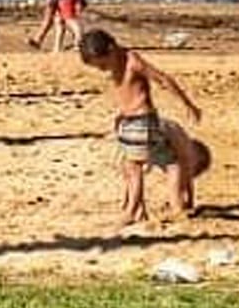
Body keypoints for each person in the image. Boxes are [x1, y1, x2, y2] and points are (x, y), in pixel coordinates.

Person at [77, 28, 209, 225]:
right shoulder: (117, 62)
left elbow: (163, 79)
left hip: (142, 120)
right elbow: (125, 92)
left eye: (103, 65)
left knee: (134, 167)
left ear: (111, 49)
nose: (103, 70)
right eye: (99, 67)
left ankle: (133, 211)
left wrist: (188, 104)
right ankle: (156, 209)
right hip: (129, 121)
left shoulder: (133, 61)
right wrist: (120, 115)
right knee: (168, 162)